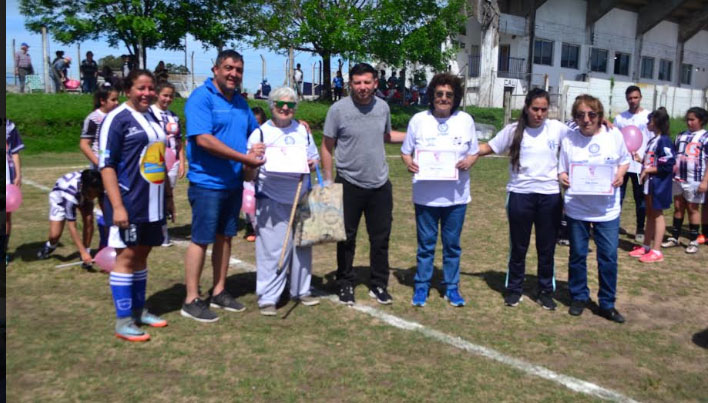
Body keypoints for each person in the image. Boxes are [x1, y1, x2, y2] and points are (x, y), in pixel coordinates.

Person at [181, 50, 265, 323]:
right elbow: (203, 139)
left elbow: (257, 131)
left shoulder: (240, 102)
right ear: (215, 69)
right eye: (228, 68)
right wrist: (244, 158)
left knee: (226, 236)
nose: (233, 74)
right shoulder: (201, 98)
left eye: (238, 70)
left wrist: (293, 128)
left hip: (233, 182)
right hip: (207, 182)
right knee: (201, 239)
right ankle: (191, 299)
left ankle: (218, 291)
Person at [477, 88, 569, 309]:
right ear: (527, 108)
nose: (539, 114)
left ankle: (545, 291)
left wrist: (603, 123)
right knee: (518, 247)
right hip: (520, 195)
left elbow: (584, 132)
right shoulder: (512, 131)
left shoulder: (557, 128)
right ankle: (514, 289)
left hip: (549, 197)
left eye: (544, 110)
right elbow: (488, 147)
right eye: (535, 109)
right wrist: (457, 151)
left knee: (546, 248)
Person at [321, 62, 406, 305]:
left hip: (379, 184)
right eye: (357, 82)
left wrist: (418, 136)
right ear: (350, 84)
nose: (362, 87)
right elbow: (326, 146)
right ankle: (345, 283)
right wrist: (328, 180)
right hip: (349, 183)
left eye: (367, 82)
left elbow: (386, 136)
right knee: (346, 238)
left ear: (375, 83)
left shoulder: (383, 107)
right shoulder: (338, 110)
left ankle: (378, 284)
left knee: (380, 238)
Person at [98, 69, 172, 341]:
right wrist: (117, 206)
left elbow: (160, 158)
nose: (147, 93)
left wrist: (168, 197)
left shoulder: (153, 115)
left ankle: (139, 311)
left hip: (153, 201)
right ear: (128, 90)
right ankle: (123, 321)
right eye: (141, 88)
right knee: (126, 257)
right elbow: (106, 165)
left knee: (143, 253)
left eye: (151, 88)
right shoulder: (116, 119)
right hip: (129, 201)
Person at [400, 73, 479, 307]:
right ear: (432, 96)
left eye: (449, 95)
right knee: (426, 245)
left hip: (456, 197)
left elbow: (474, 152)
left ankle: (451, 287)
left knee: (452, 245)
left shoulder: (465, 120)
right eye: (439, 94)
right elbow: (405, 152)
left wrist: (469, 161)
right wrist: (409, 163)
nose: (444, 98)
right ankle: (421, 286)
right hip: (426, 197)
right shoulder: (418, 120)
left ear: (455, 98)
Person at [245, 87, 320, 316]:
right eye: (280, 103)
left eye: (290, 104)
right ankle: (269, 297)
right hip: (271, 199)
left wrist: (312, 164)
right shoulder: (260, 134)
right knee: (272, 250)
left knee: (302, 247)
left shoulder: (303, 131)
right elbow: (248, 173)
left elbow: (314, 158)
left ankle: (301, 289)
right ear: (271, 105)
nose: (285, 108)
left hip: (301, 197)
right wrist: (253, 158)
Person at [558, 94, 630, 323]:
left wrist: (620, 175)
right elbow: (562, 168)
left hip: (607, 211)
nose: (586, 119)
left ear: (600, 115)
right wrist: (563, 177)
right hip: (577, 209)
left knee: (608, 257)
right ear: (575, 117)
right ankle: (579, 297)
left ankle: (607, 304)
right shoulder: (569, 139)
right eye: (581, 115)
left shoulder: (613, 135)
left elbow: (625, 160)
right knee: (578, 255)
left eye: (592, 114)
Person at [628, 108, 675, 263]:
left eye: (650, 120)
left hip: (659, 184)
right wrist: (641, 160)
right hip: (649, 183)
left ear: (656, 122)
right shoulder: (652, 141)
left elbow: (668, 164)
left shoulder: (664, 140)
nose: (647, 123)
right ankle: (646, 246)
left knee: (657, 214)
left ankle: (657, 250)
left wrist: (648, 170)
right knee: (649, 214)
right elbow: (653, 161)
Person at [662, 107, 708, 254]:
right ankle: (674, 237)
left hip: (695, 179)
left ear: (701, 120)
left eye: (692, 119)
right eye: (687, 119)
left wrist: (705, 181)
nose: (689, 122)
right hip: (678, 178)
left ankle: (693, 240)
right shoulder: (681, 135)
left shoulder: (705, 137)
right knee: (678, 206)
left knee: (692, 208)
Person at [36, 170, 104, 269]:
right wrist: (82, 252)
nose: (94, 196)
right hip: (60, 197)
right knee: (54, 235)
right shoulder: (70, 196)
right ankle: (50, 246)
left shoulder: (96, 183)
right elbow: (72, 227)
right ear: (84, 187)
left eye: (96, 193)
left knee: (89, 219)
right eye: (91, 193)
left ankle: (86, 249)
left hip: (81, 193)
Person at [151, 81, 186, 247]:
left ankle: (163, 231)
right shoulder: (149, 113)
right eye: (165, 95)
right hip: (154, 160)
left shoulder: (174, 116)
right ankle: (153, 229)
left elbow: (179, 141)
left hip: (172, 161)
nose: (168, 99)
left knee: (167, 194)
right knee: (155, 194)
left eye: (171, 96)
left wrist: (182, 162)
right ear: (157, 94)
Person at [614, 86, 651, 242]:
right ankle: (613, 226)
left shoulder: (648, 116)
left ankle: (640, 228)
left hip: (640, 164)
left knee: (640, 198)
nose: (633, 100)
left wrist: (646, 160)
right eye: (630, 98)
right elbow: (614, 139)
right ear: (626, 99)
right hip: (623, 164)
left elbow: (652, 139)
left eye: (635, 97)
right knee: (618, 197)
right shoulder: (620, 118)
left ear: (640, 97)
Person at [80, 84, 120, 169]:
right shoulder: (93, 118)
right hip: (101, 161)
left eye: (117, 99)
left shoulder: (119, 116)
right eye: (113, 100)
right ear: (102, 101)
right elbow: (84, 144)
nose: (117, 103)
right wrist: (98, 163)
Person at [243, 107, 268, 243]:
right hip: (247, 170)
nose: (255, 126)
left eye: (258, 123)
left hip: (261, 171)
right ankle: (250, 227)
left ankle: (261, 226)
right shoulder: (244, 134)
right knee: (248, 198)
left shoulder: (264, 134)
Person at [4, 120, 25, 265]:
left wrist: (18, 174)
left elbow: (15, 152)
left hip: (6, 175)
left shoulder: (9, 125)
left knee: (5, 216)